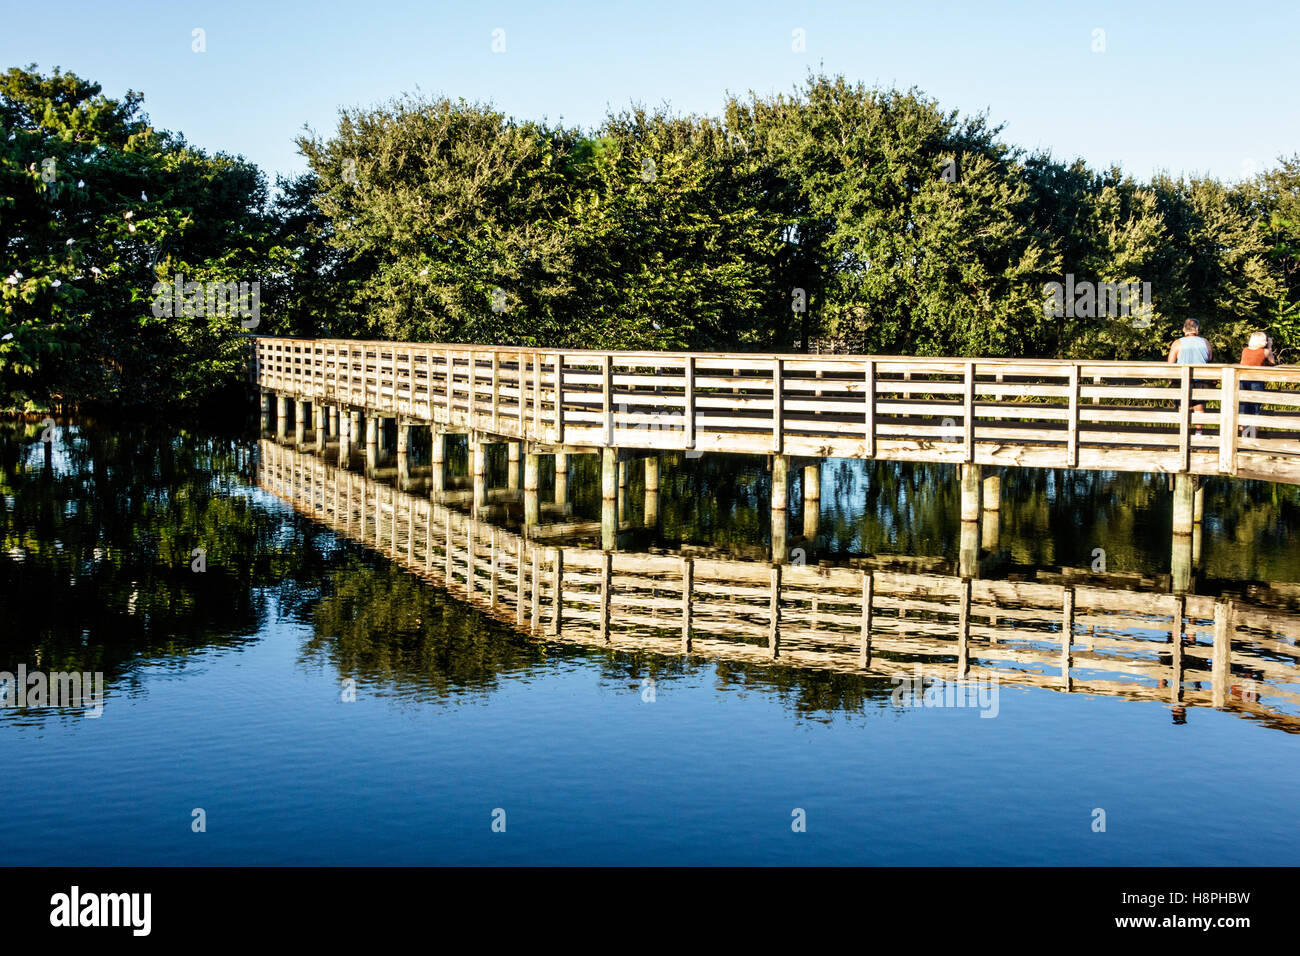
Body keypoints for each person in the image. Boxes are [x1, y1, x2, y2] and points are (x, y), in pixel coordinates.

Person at [1168, 318, 1213, 429]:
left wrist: (1170, 379)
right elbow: (1210, 357)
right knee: (1199, 407)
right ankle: (1199, 433)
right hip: (1200, 379)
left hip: (1181, 379)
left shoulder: (1177, 343)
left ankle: (1183, 432)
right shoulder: (1205, 342)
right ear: (1196, 329)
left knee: (1182, 407)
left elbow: (1170, 362)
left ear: (1184, 330)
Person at [1239, 331, 1276, 420]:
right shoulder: (1265, 351)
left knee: (1243, 408)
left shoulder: (1245, 350)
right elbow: (1272, 362)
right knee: (1255, 409)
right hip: (1256, 380)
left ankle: (1242, 432)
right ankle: (1253, 432)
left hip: (1243, 379)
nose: (1266, 342)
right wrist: (1270, 347)